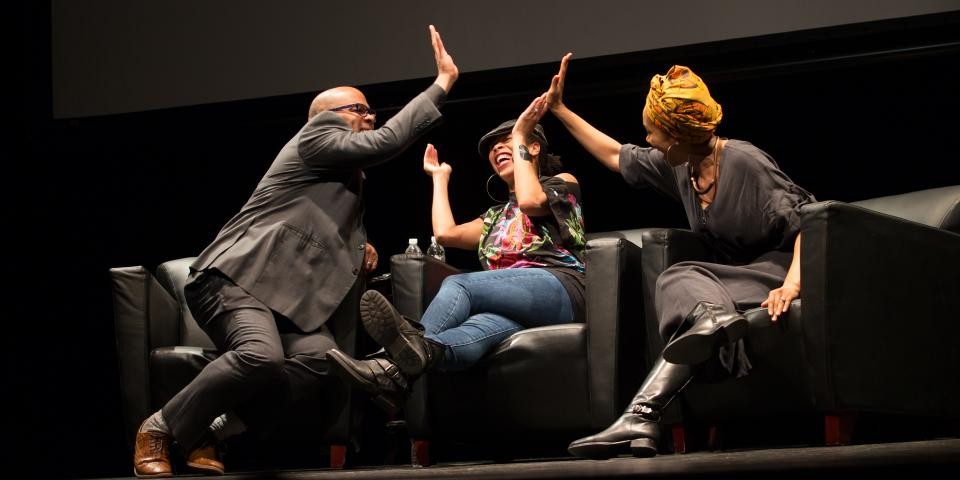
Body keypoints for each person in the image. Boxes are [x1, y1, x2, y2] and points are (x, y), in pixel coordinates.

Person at [132, 25, 459, 477]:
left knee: (323, 360)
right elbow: (385, 143)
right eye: (360, 109)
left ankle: (214, 429)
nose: (370, 117)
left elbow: (312, 223)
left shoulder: (342, 178)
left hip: (276, 302)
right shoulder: (316, 135)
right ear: (326, 116)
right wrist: (442, 83)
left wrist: (359, 247)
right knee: (260, 356)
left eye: (371, 110)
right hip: (233, 280)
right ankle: (160, 427)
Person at [539, 54, 815, 459]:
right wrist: (561, 110)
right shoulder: (682, 165)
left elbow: (811, 223)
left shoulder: (744, 161)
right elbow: (617, 156)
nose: (647, 139)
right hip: (728, 276)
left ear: (678, 134)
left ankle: (642, 415)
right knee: (675, 276)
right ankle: (705, 331)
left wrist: (791, 285)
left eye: (653, 133)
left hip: (776, 268)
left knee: (678, 277)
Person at [323, 98, 587, 413]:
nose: (497, 150)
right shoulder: (494, 217)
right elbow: (446, 233)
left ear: (532, 149)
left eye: (507, 142)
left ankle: (386, 364)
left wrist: (520, 136)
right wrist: (439, 178)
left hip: (563, 289)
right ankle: (398, 373)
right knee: (462, 339)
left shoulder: (563, 183)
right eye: (493, 149)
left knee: (460, 285)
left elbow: (530, 202)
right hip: (513, 304)